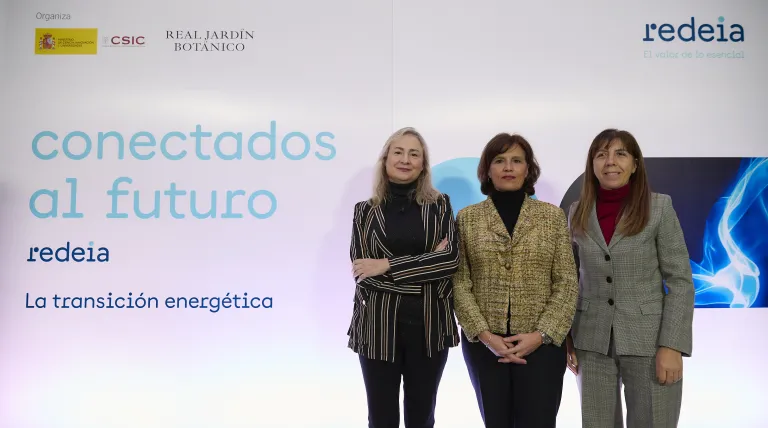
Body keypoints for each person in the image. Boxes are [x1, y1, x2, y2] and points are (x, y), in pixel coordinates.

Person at [566, 128, 695, 428]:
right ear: (592, 165)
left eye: (620, 153)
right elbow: (570, 280)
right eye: (601, 155)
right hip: (591, 342)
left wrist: (672, 346)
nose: (610, 161)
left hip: (651, 343)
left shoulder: (659, 208)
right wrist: (567, 337)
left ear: (635, 164)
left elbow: (680, 281)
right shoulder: (576, 213)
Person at [452, 132, 579, 428]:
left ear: (528, 169)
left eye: (516, 160)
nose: (508, 167)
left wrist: (541, 335)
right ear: (487, 170)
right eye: (499, 160)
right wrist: (484, 335)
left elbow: (566, 282)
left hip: (543, 347)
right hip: (486, 347)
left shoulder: (552, 217)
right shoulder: (467, 218)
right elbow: (459, 281)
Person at [347, 127, 461, 428]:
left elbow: (449, 261)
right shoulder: (363, 212)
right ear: (385, 160)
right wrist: (426, 264)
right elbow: (364, 275)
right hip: (377, 329)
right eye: (398, 152)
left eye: (414, 154)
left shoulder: (440, 205)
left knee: (421, 417)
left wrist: (386, 264)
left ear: (423, 164)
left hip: (429, 328)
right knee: (381, 418)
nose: (405, 160)